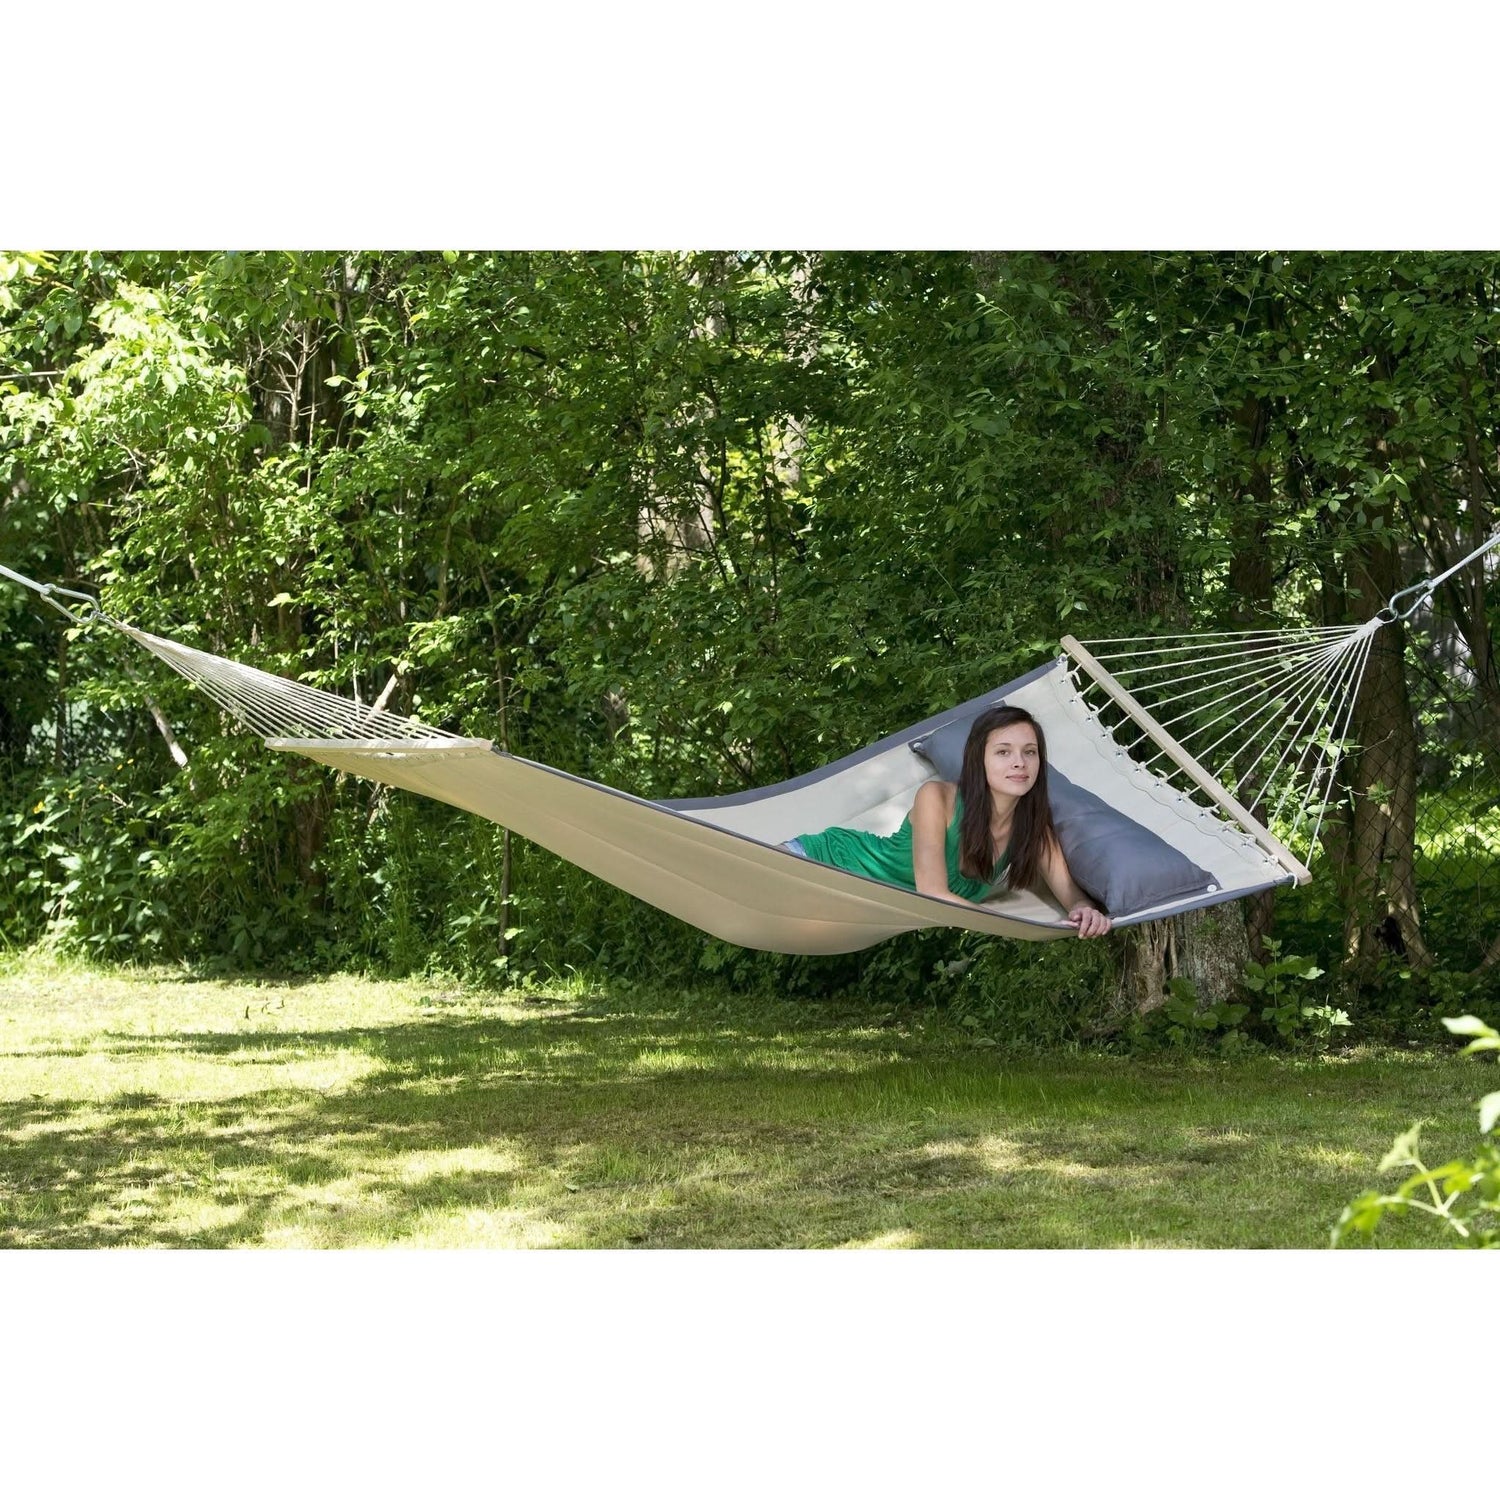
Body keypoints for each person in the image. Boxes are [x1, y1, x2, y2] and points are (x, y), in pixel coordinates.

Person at [785, 704, 1112, 938]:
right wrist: (1014, 927)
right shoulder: (937, 798)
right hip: (823, 861)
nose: (1019, 762)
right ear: (978, 760)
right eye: (1003, 752)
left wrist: (1084, 909)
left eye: (1029, 752)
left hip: (859, 907)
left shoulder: (1032, 828)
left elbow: (1070, 894)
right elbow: (933, 893)